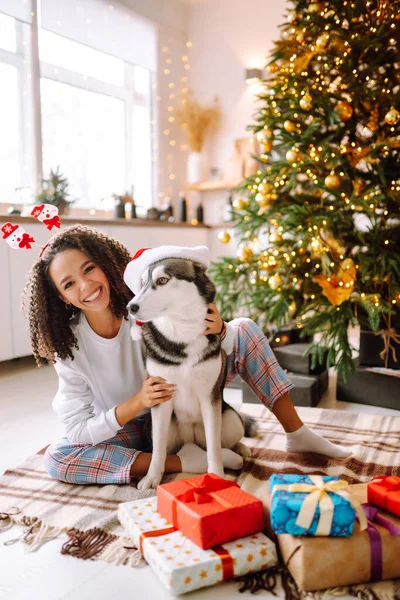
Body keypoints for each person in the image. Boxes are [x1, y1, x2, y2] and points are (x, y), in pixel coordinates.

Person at [23, 225, 351, 486]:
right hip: (131, 430)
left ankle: (297, 434)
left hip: (185, 404)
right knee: (58, 456)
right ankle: (181, 462)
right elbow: (79, 429)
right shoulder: (69, 347)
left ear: (105, 263)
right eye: (69, 284)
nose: (86, 285)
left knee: (243, 328)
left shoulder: (147, 305)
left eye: (89, 269)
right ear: (62, 297)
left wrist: (218, 329)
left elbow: (214, 354)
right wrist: (137, 403)